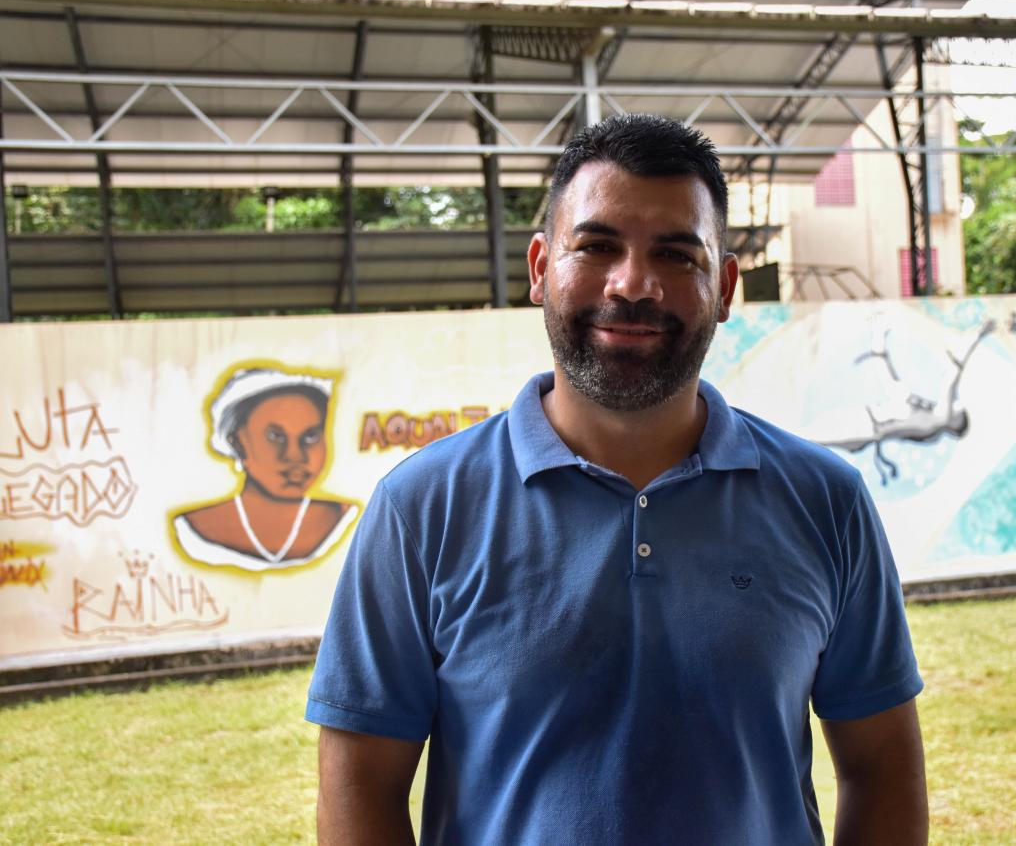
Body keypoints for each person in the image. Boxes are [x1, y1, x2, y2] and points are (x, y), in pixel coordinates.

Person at [307, 114, 927, 845]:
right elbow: (360, 785)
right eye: (597, 246)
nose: (633, 284)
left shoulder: (825, 500)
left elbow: (882, 767)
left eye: (676, 254)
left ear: (726, 287)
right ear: (540, 268)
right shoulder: (421, 509)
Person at [171, 367, 358, 572]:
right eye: (276, 437)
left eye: (310, 437)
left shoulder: (351, 520)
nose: (295, 456)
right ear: (237, 443)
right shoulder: (192, 530)